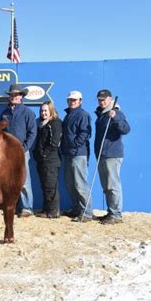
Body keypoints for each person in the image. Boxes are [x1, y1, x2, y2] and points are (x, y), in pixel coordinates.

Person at [94, 89, 130, 224]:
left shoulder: (117, 113)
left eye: (104, 99)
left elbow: (126, 129)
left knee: (113, 184)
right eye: (99, 99)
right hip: (102, 155)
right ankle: (111, 211)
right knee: (106, 185)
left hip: (112, 155)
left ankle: (116, 214)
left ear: (110, 99)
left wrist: (115, 117)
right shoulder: (102, 115)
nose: (102, 101)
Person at [0, 84, 37, 218]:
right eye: (11, 95)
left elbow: (32, 132)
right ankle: (12, 206)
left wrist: (24, 148)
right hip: (7, 152)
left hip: (22, 151)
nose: (14, 97)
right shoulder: (5, 113)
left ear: (21, 96)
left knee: (24, 180)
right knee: (9, 180)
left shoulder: (28, 112)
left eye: (16, 95)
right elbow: (1, 132)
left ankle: (27, 208)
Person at [61, 90, 93, 222]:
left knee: (80, 184)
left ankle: (86, 212)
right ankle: (77, 209)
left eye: (74, 100)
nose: (72, 102)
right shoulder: (68, 115)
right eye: (70, 100)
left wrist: (74, 144)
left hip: (78, 154)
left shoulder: (82, 114)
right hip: (68, 154)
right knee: (70, 183)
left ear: (80, 101)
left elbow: (85, 133)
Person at [33, 101, 62, 219]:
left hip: (51, 160)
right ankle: (46, 209)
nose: (43, 113)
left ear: (51, 110)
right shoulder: (42, 124)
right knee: (45, 186)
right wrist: (38, 155)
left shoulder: (55, 123)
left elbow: (54, 143)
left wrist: (44, 155)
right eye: (42, 111)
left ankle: (53, 211)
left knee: (51, 186)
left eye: (46, 110)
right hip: (42, 161)